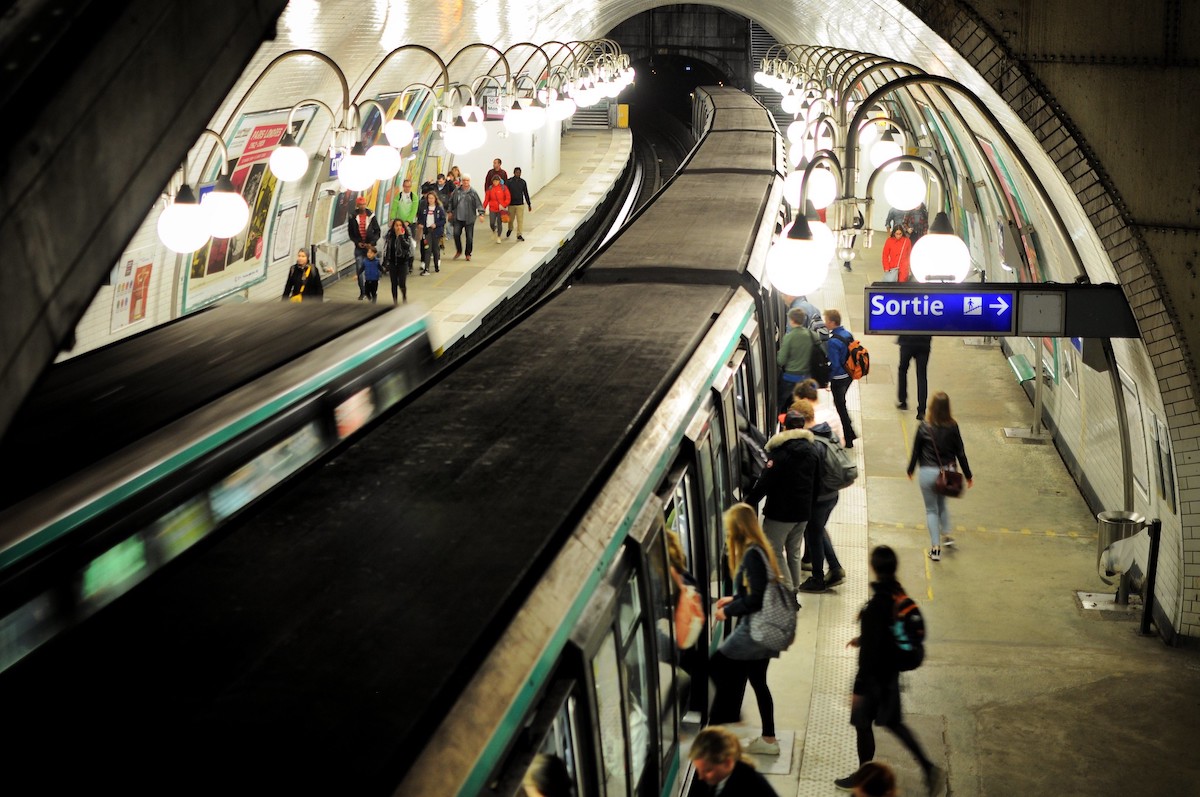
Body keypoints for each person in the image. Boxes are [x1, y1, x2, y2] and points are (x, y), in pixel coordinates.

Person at [836, 546, 943, 795]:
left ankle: (864, 777)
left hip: (873, 678)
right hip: (891, 674)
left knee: (863, 724)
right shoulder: (897, 593)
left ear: (873, 567)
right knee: (894, 724)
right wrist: (863, 638)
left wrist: (859, 688)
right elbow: (888, 630)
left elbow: (870, 654)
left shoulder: (875, 604)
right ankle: (927, 767)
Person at [709, 503, 785, 757]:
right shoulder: (760, 549)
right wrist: (731, 600)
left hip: (755, 632)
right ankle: (768, 738)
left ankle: (728, 724)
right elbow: (756, 591)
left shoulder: (752, 554)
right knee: (757, 682)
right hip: (762, 630)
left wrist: (726, 612)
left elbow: (755, 599)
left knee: (717, 665)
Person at [747, 411, 822, 592]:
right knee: (794, 552)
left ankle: (788, 590)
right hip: (803, 514)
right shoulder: (813, 451)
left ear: (785, 427)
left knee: (773, 549)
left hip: (780, 514)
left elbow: (764, 483)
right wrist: (809, 508)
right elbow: (818, 483)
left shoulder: (779, 454)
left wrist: (748, 503)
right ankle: (794, 588)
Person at [906, 392, 973, 561]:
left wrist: (910, 470)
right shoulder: (953, 426)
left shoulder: (924, 426)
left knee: (931, 510)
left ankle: (935, 548)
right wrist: (968, 475)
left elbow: (915, 450)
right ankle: (947, 535)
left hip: (927, 473)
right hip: (946, 474)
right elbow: (961, 453)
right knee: (942, 503)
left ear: (932, 407)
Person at [790, 398, 846, 591]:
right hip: (832, 494)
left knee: (815, 533)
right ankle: (830, 568)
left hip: (819, 497)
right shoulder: (827, 432)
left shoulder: (812, 443)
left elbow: (809, 476)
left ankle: (820, 577)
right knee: (818, 530)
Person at [688, 727, 778, 797]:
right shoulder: (712, 776)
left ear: (728, 763)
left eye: (707, 771)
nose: (700, 777)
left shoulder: (749, 786)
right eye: (698, 769)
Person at [824, 309, 858, 448]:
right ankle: (851, 433)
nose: (825, 323)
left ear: (832, 322)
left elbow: (834, 364)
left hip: (839, 378)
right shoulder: (847, 334)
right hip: (849, 375)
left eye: (826, 320)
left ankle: (849, 439)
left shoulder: (832, 342)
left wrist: (827, 380)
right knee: (841, 404)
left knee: (840, 407)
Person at [776, 307, 815, 414]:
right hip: (806, 379)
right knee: (801, 406)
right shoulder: (811, 335)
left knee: (780, 402)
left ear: (792, 320)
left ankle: (779, 421)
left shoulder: (789, 337)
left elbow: (781, 360)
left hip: (790, 378)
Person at [348, 195, 380, 300]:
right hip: (359, 247)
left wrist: (372, 242)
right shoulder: (353, 217)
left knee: (371, 269)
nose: (362, 206)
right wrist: (357, 242)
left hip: (369, 247)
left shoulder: (371, 215)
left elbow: (377, 231)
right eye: (360, 204)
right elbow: (351, 233)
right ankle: (363, 291)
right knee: (359, 269)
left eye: (364, 204)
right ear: (357, 205)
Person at [447, 175, 484, 261]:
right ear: (461, 181)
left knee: (469, 237)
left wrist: (481, 214)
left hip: (469, 218)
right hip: (458, 217)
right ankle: (459, 250)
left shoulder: (473, 192)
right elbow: (451, 201)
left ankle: (468, 253)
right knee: (456, 234)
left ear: (469, 181)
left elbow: (478, 203)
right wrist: (449, 212)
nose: (466, 182)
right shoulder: (456, 191)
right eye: (464, 180)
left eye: (467, 180)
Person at [896, 334, 932, 419]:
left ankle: (903, 401)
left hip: (907, 342)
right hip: (923, 343)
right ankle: (921, 410)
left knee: (902, 370)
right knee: (922, 376)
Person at [389, 178, 419, 272]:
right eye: (405, 186)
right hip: (399, 223)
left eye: (409, 187)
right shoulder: (398, 196)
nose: (407, 188)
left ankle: (410, 263)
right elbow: (394, 208)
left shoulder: (414, 197)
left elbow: (414, 210)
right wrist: (393, 219)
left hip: (409, 224)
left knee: (410, 243)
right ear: (403, 186)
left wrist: (408, 221)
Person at [416, 190, 446, 275]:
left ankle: (436, 265)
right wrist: (421, 224)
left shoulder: (439, 209)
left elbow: (443, 220)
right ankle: (426, 269)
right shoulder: (424, 209)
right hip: (427, 231)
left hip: (436, 232)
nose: (430, 200)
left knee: (435, 249)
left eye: (432, 198)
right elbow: (421, 218)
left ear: (435, 199)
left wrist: (436, 224)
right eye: (429, 198)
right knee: (427, 249)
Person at [383, 218, 413, 304]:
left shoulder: (406, 235)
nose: (398, 227)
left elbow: (407, 246)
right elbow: (387, 249)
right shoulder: (390, 236)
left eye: (400, 225)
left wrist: (401, 236)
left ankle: (404, 296)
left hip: (403, 262)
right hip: (392, 262)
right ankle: (395, 301)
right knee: (394, 283)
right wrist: (386, 262)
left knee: (402, 283)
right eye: (396, 225)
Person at [506, 166, 532, 240]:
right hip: (511, 204)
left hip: (520, 204)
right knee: (510, 220)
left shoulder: (523, 182)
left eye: (519, 173)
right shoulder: (509, 182)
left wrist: (529, 204)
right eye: (517, 172)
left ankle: (519, 234)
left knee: (520, 220)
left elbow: (526, 193)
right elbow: (506, 193)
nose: (518, 174)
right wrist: (505, 203)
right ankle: (510, 228)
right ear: (514, 173)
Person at [484, 175, 511, 244]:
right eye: (494, 181)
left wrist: (504, 205)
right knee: (492, 223)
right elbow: (486, 199)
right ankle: (494, 229)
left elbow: (508, 198)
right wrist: (483, 208)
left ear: (499, 181)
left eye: (497, 181)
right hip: (492, 208)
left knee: (499, 223)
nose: (495, 182)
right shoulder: (490, 189)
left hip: (500, 209)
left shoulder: (503, 188)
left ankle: (499, 236)